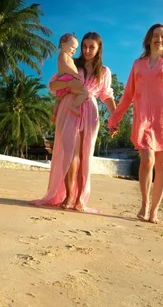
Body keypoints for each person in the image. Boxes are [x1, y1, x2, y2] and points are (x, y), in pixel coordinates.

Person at [108, 23, 163, 223]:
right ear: (149, 39)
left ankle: (154, 210)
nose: (159, 39)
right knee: (147, 161)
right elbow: (127, 95)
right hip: (143, 119)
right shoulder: (137, 64)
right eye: (156, 35)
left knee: (162, 166)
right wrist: (115, 119)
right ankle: (144, 203)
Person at [31, 32, 116, 212]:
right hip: (70, 108)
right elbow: (53, 86)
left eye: (91, 47)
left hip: (90, 111)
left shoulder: (104, 71)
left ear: (99, 48)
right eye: (84, 46)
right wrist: (71, 85)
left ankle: (79, 199)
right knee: (70, 152)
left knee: (84, 155)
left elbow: (107, 95)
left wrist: (114, 118)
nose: (86, 50)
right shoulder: (71, 63)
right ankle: (69, 195)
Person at [51, 33, 88, 122]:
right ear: (63, 45)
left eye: (76, 49)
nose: (74, 51)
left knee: (59, 99)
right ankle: (73, 106)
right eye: (72, 47)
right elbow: (65, 66)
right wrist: (74, 74)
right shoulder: (63, 54)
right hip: (68, 78)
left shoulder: (66, 56)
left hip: (65, 81)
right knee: (84, 92)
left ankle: (54, 114)